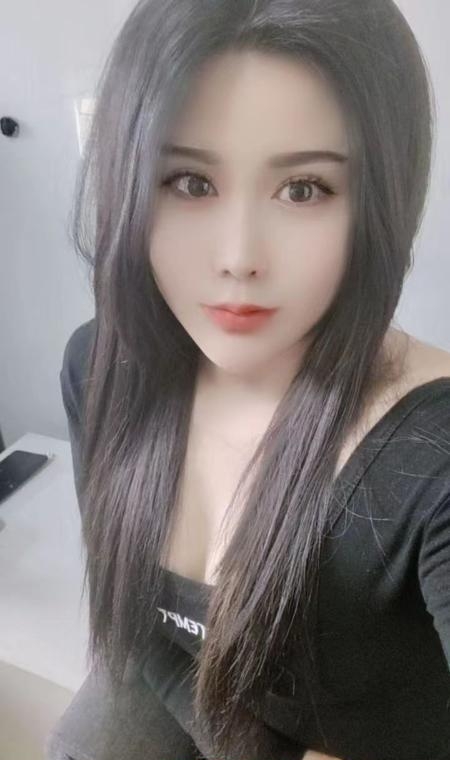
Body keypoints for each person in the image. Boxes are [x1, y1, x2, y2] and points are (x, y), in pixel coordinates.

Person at [46, 1, 450, 759]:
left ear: (379, 203)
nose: (238, 257)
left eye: (303, 189)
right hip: (197, 699)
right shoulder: (100, 366)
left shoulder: (433, 461)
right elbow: (135, 614)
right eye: (190, 181)